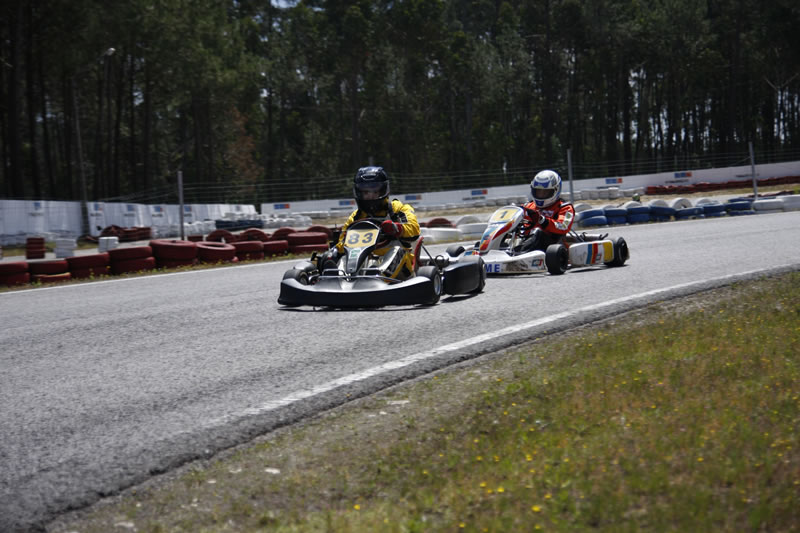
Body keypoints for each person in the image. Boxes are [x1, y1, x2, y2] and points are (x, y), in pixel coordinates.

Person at [319, 166, 420, 271]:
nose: (371, 196)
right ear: (359, 193)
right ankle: (335, 276)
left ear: (383, 191)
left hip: (400, 265)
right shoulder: (356, 216)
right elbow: (343, 242)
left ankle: (377, 276)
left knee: (396, 251)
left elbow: (414, 228)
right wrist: (334, 252)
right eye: (366, 193)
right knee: (345, 258)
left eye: (375, 192)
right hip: (364, 261)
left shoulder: (397, 208)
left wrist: (396, 228)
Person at [517, 169, 575, 252]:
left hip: (551, 246)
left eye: (545, 192)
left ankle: (520, 254)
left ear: (555, 190)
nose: (541, 195)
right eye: (538, 192)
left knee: (538, 232)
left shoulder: (565, 207)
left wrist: (542, 220)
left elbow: (563, 226)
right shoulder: (528, 206)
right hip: (526, 241)